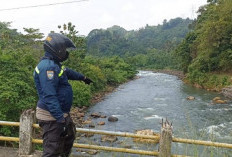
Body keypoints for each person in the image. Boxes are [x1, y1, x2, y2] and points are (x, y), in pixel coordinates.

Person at [33, 33, 93, 157]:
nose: (65, 52)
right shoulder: (48, 68)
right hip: (52, 116)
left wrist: (83, 77)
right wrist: (60, 120)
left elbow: (67, 72)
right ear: (57, 49)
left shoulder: (54, 65)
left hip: (60, 113)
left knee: (68, 139)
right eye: (64, 49)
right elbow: (49, 96)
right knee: (52, 150)